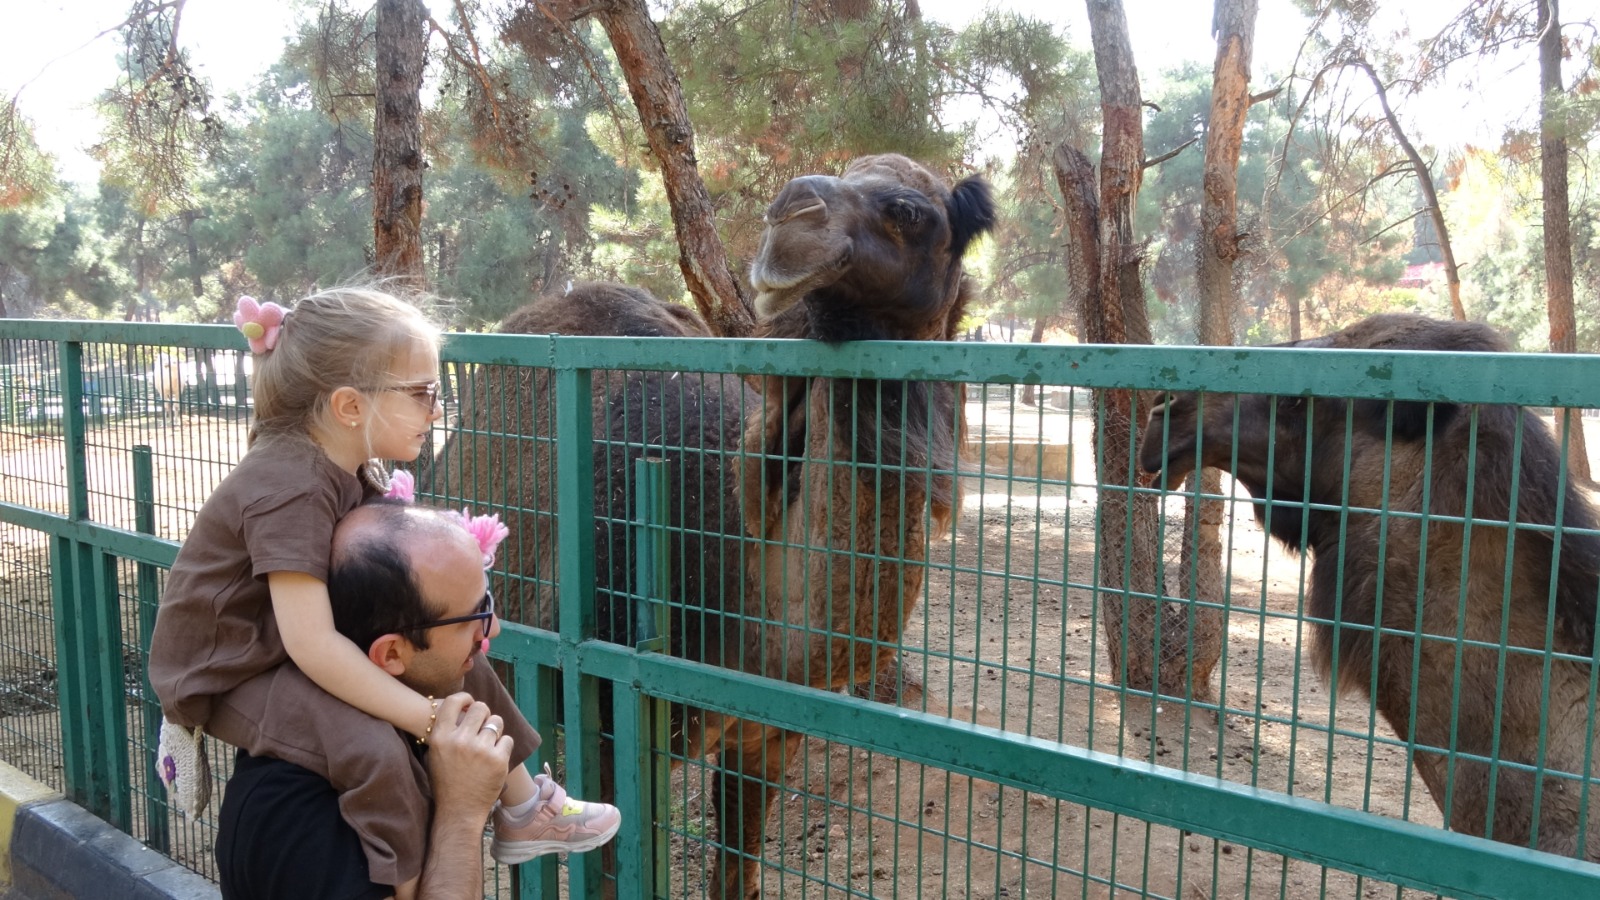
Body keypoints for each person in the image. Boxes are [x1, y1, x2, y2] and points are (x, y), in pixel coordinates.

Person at [148, 287, 619, 889]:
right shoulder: (291, 485)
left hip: (273, 646)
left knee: (457, 648)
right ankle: (409, 884)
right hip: (228, 671)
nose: (436, 411)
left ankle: (525, 806)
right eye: (422, 393)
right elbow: (312, 644)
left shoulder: (344, 465)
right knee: (372, 748)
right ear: (350, 405)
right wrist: (427, 719)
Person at [218, 501, 565, 899]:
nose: (494, 629)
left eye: (487, 602)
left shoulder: (409, 718)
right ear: (392, 654)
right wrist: (461, 813)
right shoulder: (296, 813)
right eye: (473, 616)